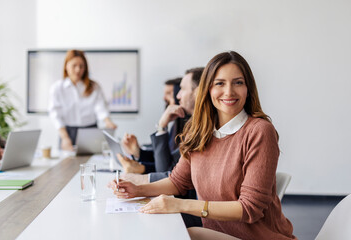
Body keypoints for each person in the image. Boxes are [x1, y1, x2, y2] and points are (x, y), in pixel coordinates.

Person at [109, 51, 296, 240]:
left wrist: (180, 205)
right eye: (220, 83)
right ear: (208, 89)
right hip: (219, 234)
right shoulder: (198, 130)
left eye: (238, 82)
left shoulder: (259, 131)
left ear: (248, 88)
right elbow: (177, 182)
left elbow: (249, 209)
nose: (229, 91)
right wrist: (137, 189)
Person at [119, 68, 204, 183]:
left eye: (181, 89)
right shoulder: (191, 124)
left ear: (198, 92)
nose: (177, 96)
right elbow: (170, 161)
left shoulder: (198, 127)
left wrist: (161, 126)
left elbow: (167, 168)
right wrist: (139, 153)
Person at [48, 50, 117, 151]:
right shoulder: (57, 88)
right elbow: (55, 115)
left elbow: (100, 108)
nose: (78, 70)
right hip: (67, 133)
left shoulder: (94, 86)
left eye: (81, 66)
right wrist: (65, 138)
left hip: (91, 132)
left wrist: (108, 122)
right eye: (74, 65)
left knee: (93, 163)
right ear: (66, 66)